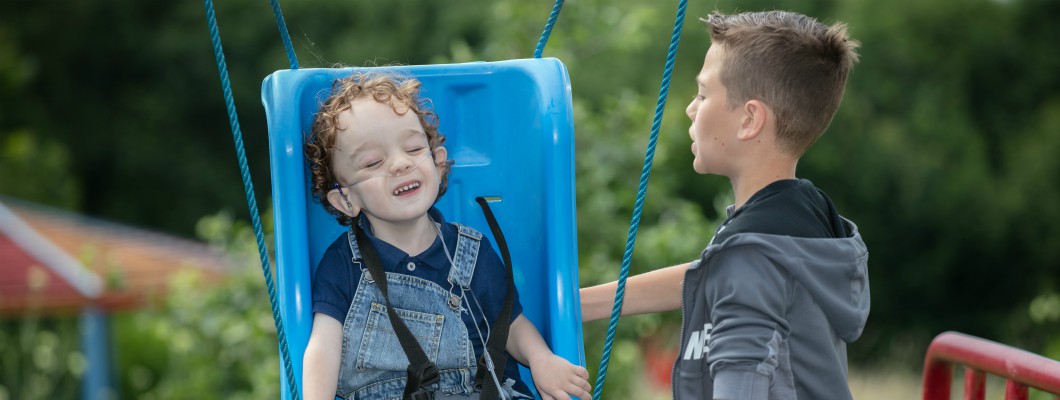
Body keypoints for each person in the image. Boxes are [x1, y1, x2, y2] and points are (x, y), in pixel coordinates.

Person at [580, 10, 870, 400]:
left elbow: (737, 280)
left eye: (702, 94)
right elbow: (707, 275)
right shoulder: (802, 219)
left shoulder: (752, 258)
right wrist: (576, 305)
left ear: (749, 120)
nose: (690, 107)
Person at [301, 71, 591, 400]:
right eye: (373, 162)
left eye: (412, 148)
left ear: (438, 162)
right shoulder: (344, 264)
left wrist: (542, 360)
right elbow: (324, 346)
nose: (399, 164)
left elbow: (509, 324)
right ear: (346, 199)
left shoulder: (470, 251)